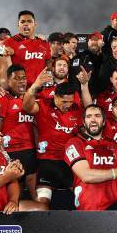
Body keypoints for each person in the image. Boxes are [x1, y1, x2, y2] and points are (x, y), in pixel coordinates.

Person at [23, 76, 82, 209]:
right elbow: (26, 107)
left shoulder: (76, 110)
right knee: (42, 203)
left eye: (70, 101)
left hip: (70, 163)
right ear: (55, 97)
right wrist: (34, 86)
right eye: (64, 101)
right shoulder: (43, 106)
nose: (68, 105)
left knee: (84, 199)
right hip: (48, 162)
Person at [0, 65, 38, 198]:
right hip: (11, 153)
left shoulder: (32, 101)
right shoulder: (0, 102)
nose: (22, 81)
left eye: (24, 78)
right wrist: (3, 156)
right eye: (16, 78)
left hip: (31, 152)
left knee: (36, 196)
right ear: (8, 81)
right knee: (15, 197)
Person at [0, 10, 51, 88]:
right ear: (18, 25)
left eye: (29, 21)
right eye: (22, 22)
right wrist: (1, 87)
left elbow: (48, 66)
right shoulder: (8, 43)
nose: (26, 24)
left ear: (35, 24)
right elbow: (0, 71)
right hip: (20, 92)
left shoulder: (44, 43)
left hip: (41, 91)